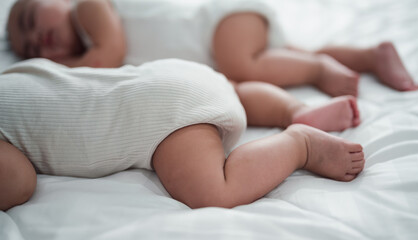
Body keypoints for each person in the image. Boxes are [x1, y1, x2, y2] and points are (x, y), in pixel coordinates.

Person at [0, 58, 363, 211]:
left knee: (214, 191)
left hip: (162, 119)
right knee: (230, 91)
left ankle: (300, 143)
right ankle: (291, 109)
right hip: (174, 75)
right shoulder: (10, 78)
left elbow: (16, 182)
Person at [6, 0, 418, 97]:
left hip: (220, 21)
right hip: (222, 41)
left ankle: (317, 70)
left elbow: (107, 55)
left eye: (30, 20)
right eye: (28, 52)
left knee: (242, 64)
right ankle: (369, 55)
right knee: (277, 56)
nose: (36, 40)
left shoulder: (88, 11)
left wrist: (59, 71)